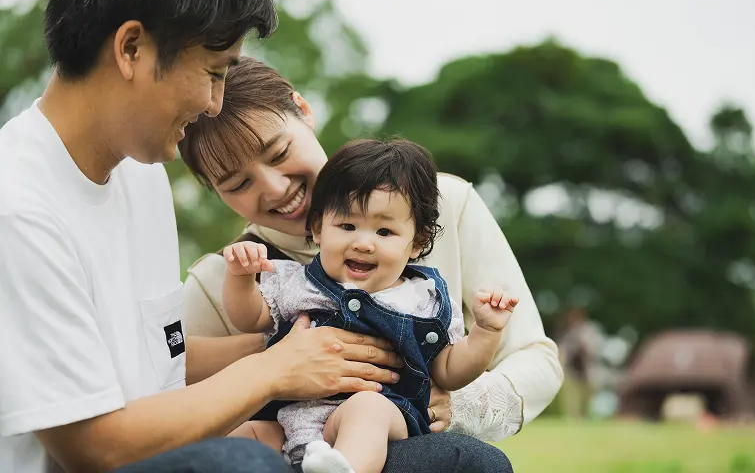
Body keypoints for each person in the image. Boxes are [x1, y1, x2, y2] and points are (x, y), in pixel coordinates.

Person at [0, 0, 407, 472]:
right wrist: (275, 370)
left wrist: (313, 342)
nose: (215, 104)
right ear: (131, 48)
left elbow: (158, 354)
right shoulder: (19, 209)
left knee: (455, 459)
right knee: (241, 461)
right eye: (215, 72)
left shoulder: (141, 175)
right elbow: (95, 448)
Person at [179, 58, 564, 472]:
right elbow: (172, 389)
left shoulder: (443, 205)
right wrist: (278, 351)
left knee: (467, 461)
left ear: (303, 110)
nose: (275, 188)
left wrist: (453, 404)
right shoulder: (221, 276)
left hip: (407, 441)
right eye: (238, 184)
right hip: (288, 447)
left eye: (279, 153)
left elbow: (535, 358)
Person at [224, 138, 518, 473]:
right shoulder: (296, 281)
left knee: (365, 410)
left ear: (417, 242)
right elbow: (250, 318)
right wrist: (240, 279)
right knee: (237, 438)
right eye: (347, 226)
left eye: (384, 231)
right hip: (292, 422)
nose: (363, 243)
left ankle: (347, 468)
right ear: (319, 228)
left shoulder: (423, 298)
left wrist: (486, 332)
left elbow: (449, 371)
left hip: (383, 413)